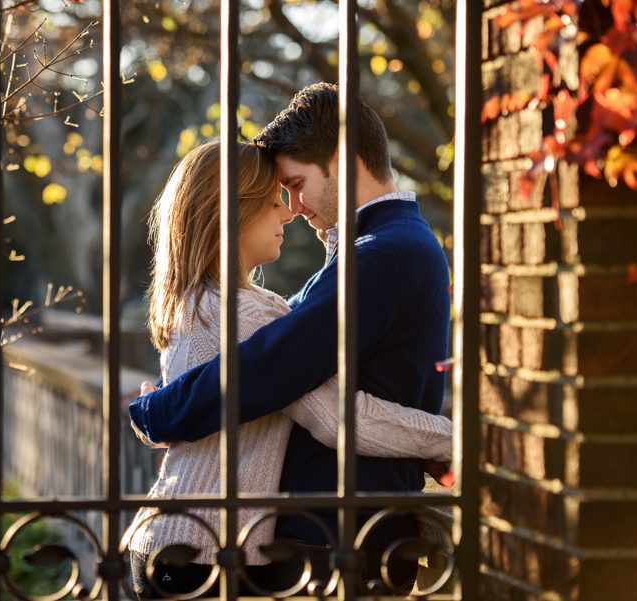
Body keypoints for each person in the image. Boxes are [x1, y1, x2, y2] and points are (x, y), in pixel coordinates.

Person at [128, 84, 452, 594]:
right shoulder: (373, 249)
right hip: (302, 534)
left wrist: (159, 411)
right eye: (281, 194)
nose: (293, 207)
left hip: (341, 533)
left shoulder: (383, 253)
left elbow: (269, 368)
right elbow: (271, 358)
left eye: (295, 184)